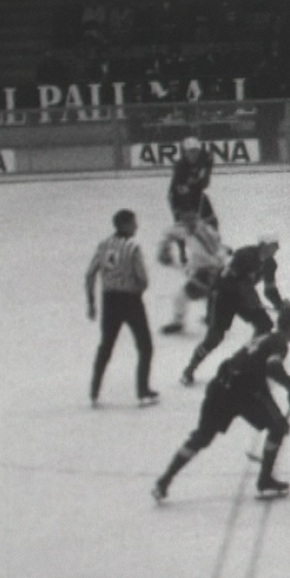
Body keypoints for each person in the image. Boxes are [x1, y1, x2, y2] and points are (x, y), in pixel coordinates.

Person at [152, 307, 290, 501]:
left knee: (202, 436)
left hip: (220, 387)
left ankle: (164, 480)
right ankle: (265, 479)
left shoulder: (264, 337)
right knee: (278, 427)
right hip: (244, 391)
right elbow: (273, 366)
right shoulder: (279, 342)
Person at [180, 233, 290, 386]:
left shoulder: (270, 264)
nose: (276, 250)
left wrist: (280, 306)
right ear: (263, 245)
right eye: (273, 246)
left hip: (243, 298)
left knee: (264, 325)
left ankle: (249, 361)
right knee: (215, 337)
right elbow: (227, 279)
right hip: (223, 296)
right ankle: (190, 369)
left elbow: (269, 289)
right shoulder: (244, 255)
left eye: (277, 246)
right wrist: (249, 296)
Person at [85, 209, 159, 406]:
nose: (136, 226)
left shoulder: (104, 245)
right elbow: (143, 278)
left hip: (109, 300)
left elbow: (90, 274)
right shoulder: (133, 247)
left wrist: (91, 302)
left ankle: (94, 391)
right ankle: (142, 390)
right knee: (145, 346)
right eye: (134, 222)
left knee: (106, 346)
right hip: (130, 300)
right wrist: (138, 291)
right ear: (125, 225)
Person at [157, 211, 230, 334]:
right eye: (185, 223)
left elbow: (218, 255)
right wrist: (164, 248)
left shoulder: (205, 234)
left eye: (191, 223)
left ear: (197, 221)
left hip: (208, 270)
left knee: (182, 296)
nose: (187, 227)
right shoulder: (185, 229)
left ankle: (179, 323)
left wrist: (212, 273)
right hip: (199, 268)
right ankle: (213, 317)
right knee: (206, 295)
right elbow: (170, 233)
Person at [168, 136, 217, 263]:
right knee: (183, 226)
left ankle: (214, 246)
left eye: (196, 151)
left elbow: (205, 183)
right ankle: (182, 252)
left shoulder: (204, 159)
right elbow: (179, 190)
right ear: (185, 152)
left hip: (196, 192)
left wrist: (207, 171)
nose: (193, 154)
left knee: (212, 220)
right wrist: (188, 209)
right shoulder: (180, 167)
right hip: (179, 196)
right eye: (190, 152)